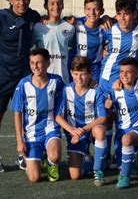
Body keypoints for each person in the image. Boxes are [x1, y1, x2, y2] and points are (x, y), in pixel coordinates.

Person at [0, 0, 41, 173]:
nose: (22, 2)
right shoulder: (0, 18)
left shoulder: (34, 16)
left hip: (23, 76)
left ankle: (23, 154)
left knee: (25, 115)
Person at [10, 48, 64, 182]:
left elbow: (71, 92)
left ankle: (51, 163)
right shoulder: (23, 84)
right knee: (34, 178)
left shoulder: (56, 81)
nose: (35, 66)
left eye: (39, 63)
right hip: (31, 134)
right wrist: (19, 140)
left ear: (47, 63)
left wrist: (92, 83)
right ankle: (40, 160)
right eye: (32, 63)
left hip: (50, 128)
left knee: (55, 156)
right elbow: (17, 112)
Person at [55, 56, 108, 185]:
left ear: (89, 74)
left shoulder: (96, 91)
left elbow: (102, 117)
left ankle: (98, 170)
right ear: (71, 73)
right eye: (76, 74)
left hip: (90, 130)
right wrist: (72, 130)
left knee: (100, 130)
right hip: (74, 134)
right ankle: (88, 162)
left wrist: (83, 130)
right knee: (75, 176)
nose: (79, 78)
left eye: (83, 74)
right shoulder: (66, 90)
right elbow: (57, 116)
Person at [104, 58, 138, 189]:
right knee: (122, 162)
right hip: (121, 130)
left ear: (137, 73)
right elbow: (110, 110)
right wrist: (108, 106)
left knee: (127, 140)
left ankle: (124, 178)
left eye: (128, 72)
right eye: (121, 72)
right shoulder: (115, 89)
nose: (124, 75)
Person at [99, 0, 138, 94]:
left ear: (135, 14)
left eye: (126, 14)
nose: (122, 18)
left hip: (129, 78)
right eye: (119, 14)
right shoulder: (108, 29)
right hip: (108, 78)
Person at [33, 0, 74, 83]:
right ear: (45, 6)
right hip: (43, 80)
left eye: (59, 3)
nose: (56, 6)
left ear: (63, 5)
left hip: (63, 79)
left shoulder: (70, 28)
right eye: (52, 3)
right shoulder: (38, 27)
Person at [68, 0, 105, 83]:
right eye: (88, 9)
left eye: (95, 9)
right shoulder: (76, 23)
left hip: (94, 70)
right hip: (75, 69)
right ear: (84, 10)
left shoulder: (105, 28)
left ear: (102, 11)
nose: (92, 13)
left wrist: (108, 18)